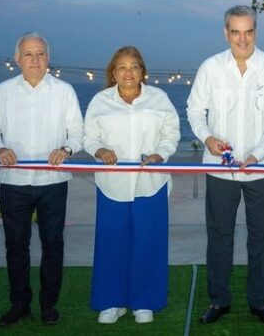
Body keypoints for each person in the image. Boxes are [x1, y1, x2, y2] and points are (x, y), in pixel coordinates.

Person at [187, 5, 264, 325]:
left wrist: (257, 154)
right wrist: (207, 138)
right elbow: (194, 111)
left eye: (248, 31)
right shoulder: (210, 67)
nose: (242, 38)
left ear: (255, 32)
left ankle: (258, 300)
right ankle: (219, 300)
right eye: (236, 32)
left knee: (260, 237)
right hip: (220, 169)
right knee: (219, 235)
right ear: (226, 33)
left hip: (262, 169)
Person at [0, 32, 84, 327]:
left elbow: (77, 132)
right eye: (28, 54)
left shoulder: (64, 91)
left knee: (53, 243)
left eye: (40, 54)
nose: (35, 59)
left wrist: (66, 148)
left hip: (53, 181)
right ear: (17, 59)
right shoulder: (3, 91)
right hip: (13, 180)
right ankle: (20, 303)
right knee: (16, 244)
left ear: (48, 58)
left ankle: (49, 304)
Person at [84, 46, 180, 324]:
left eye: (134, 66)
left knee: (148, 242)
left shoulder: (159, 99)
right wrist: (100, 151)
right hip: (112, 185)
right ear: (113, 73)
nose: (128, 72)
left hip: (150, 184)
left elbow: (171, 133)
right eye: (122, 67)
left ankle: (144, 301)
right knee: (111, 241)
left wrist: (159, 154)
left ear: (143, 72)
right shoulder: (100, 101)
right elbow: (89, 137)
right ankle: (111, 302)